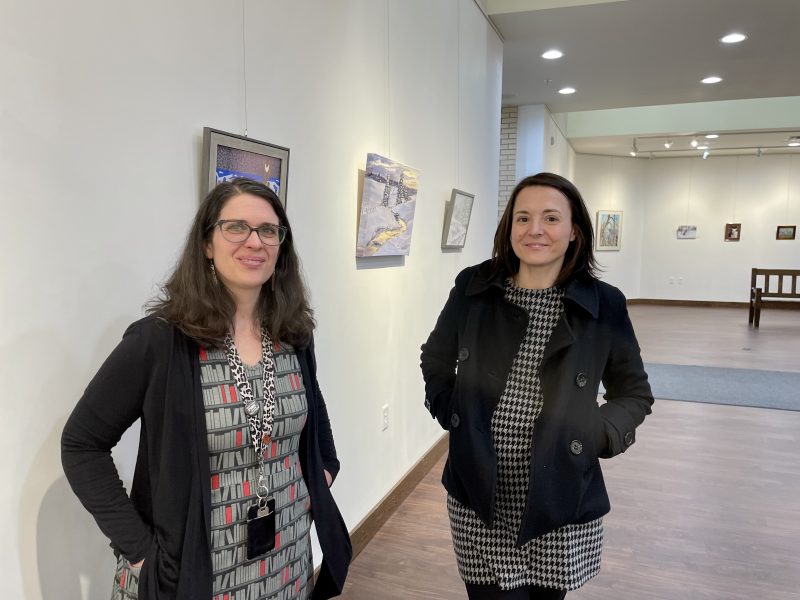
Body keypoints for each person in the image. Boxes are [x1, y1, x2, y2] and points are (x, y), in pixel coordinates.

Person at [62, 178, 351, 600]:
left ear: (281, 248)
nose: (255, 242)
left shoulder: (293, 335)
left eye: (268, 231)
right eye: (237, 227)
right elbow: (81, 444)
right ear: (207, 244)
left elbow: (313, 416)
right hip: (194, 575)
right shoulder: (160, 341)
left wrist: (320, 474)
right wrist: (140, 551)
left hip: (287, 563)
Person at [420, 172, 653, 600]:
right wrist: (453, 412)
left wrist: (597, 433)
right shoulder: (474, 288)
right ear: (509, 228)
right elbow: (435, 358)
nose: (535, 230)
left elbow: (634, 392)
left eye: (550, 218)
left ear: (574, 232)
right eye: (523, 218)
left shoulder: (604, 305)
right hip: (479, 496)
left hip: (558, 497)